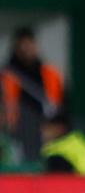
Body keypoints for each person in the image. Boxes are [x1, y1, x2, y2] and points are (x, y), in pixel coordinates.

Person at [2, 28, 63, 163]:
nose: (27, 49)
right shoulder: (7, 75)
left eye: (30, 44)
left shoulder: (49, 73)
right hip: (15, 133)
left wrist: (55, 127)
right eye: (23, 45)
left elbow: (61, 107)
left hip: (46, 131)